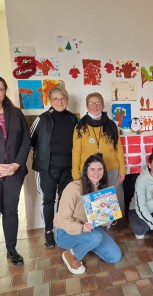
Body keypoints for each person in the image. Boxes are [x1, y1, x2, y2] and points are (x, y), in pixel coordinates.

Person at [54, 153, 122, 274]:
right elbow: (62, 220)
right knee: (96, 237)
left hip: (90, 229)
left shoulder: (102, 189)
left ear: (104, 171)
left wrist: (111, 215)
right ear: (86, 171)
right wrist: (81, 228)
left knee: (115, 257)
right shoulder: (73, 188)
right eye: (92, 169)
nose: (96, 173)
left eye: (100, 169)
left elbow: (103, 220)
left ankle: (87, 242)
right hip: (65, 233)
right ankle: (71, 254)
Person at [30, 86, 78, 248]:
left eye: (63, 98)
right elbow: (30, 142)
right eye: (56, 99)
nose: (60, 102)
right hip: (47, 169)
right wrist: (42, 159)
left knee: (64, 200)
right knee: (48, 200)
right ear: (50, 101)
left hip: (68, 168)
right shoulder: (42, 119)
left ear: (67, 100)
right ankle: (48, 231)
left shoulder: (73, 118)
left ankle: (61, 228)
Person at [72, 92, 126, 213]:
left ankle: (111, 227)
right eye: (91, 103)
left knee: (112, 199)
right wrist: (75, 173)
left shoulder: (112, 125)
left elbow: (119, 149)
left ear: (103, 106)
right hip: (89, 170)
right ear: (87, 107)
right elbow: (76, 152)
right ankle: (96, 229)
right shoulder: (79, 127)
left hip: (111, 168)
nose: (95, 106)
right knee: (93, 201)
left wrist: (122, 169)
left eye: (98, 103)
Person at [0, 77, 31, 265]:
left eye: (1, 89)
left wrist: (17, 164)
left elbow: (26, 139)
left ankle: (11, 249)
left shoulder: (15, 113)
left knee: (10, 211)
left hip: (13, 173)